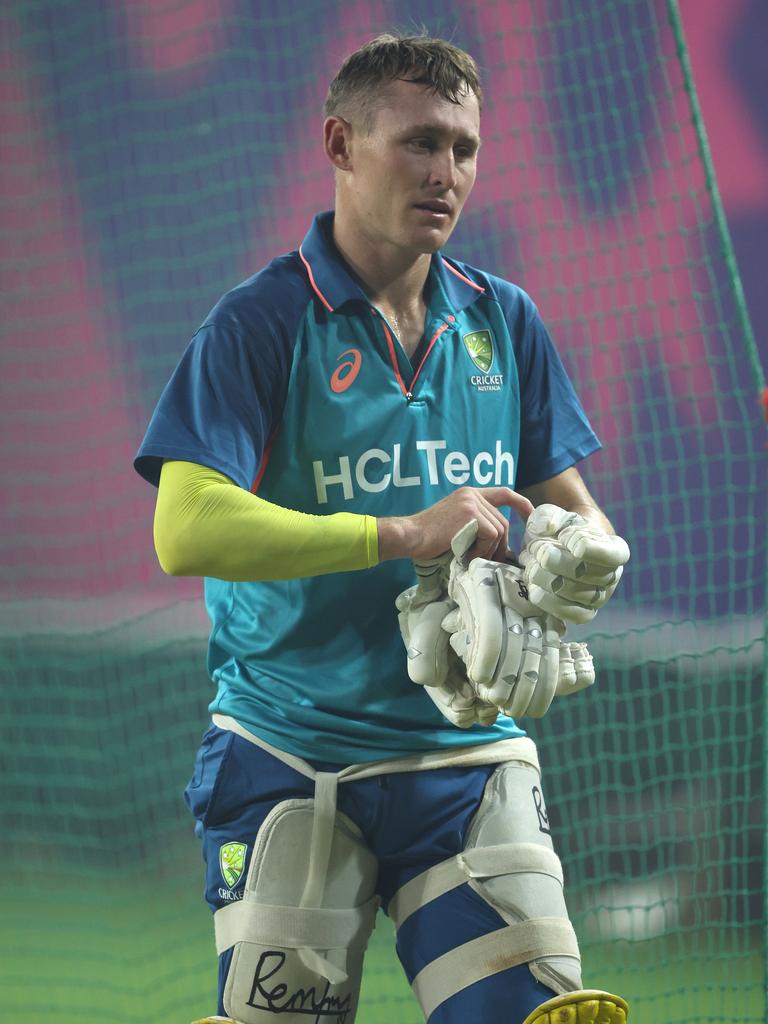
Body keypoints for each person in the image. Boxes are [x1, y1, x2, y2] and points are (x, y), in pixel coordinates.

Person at [134, 33, 630, 1024]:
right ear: (341, 143)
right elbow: (183, 527)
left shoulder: (505, 321)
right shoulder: (259, 323)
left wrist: (564, 561)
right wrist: (400, 531)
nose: (447, 174)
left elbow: (577, 519)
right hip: (289, 753)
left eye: (465, 149)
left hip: (466, 758)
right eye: (419, 143)